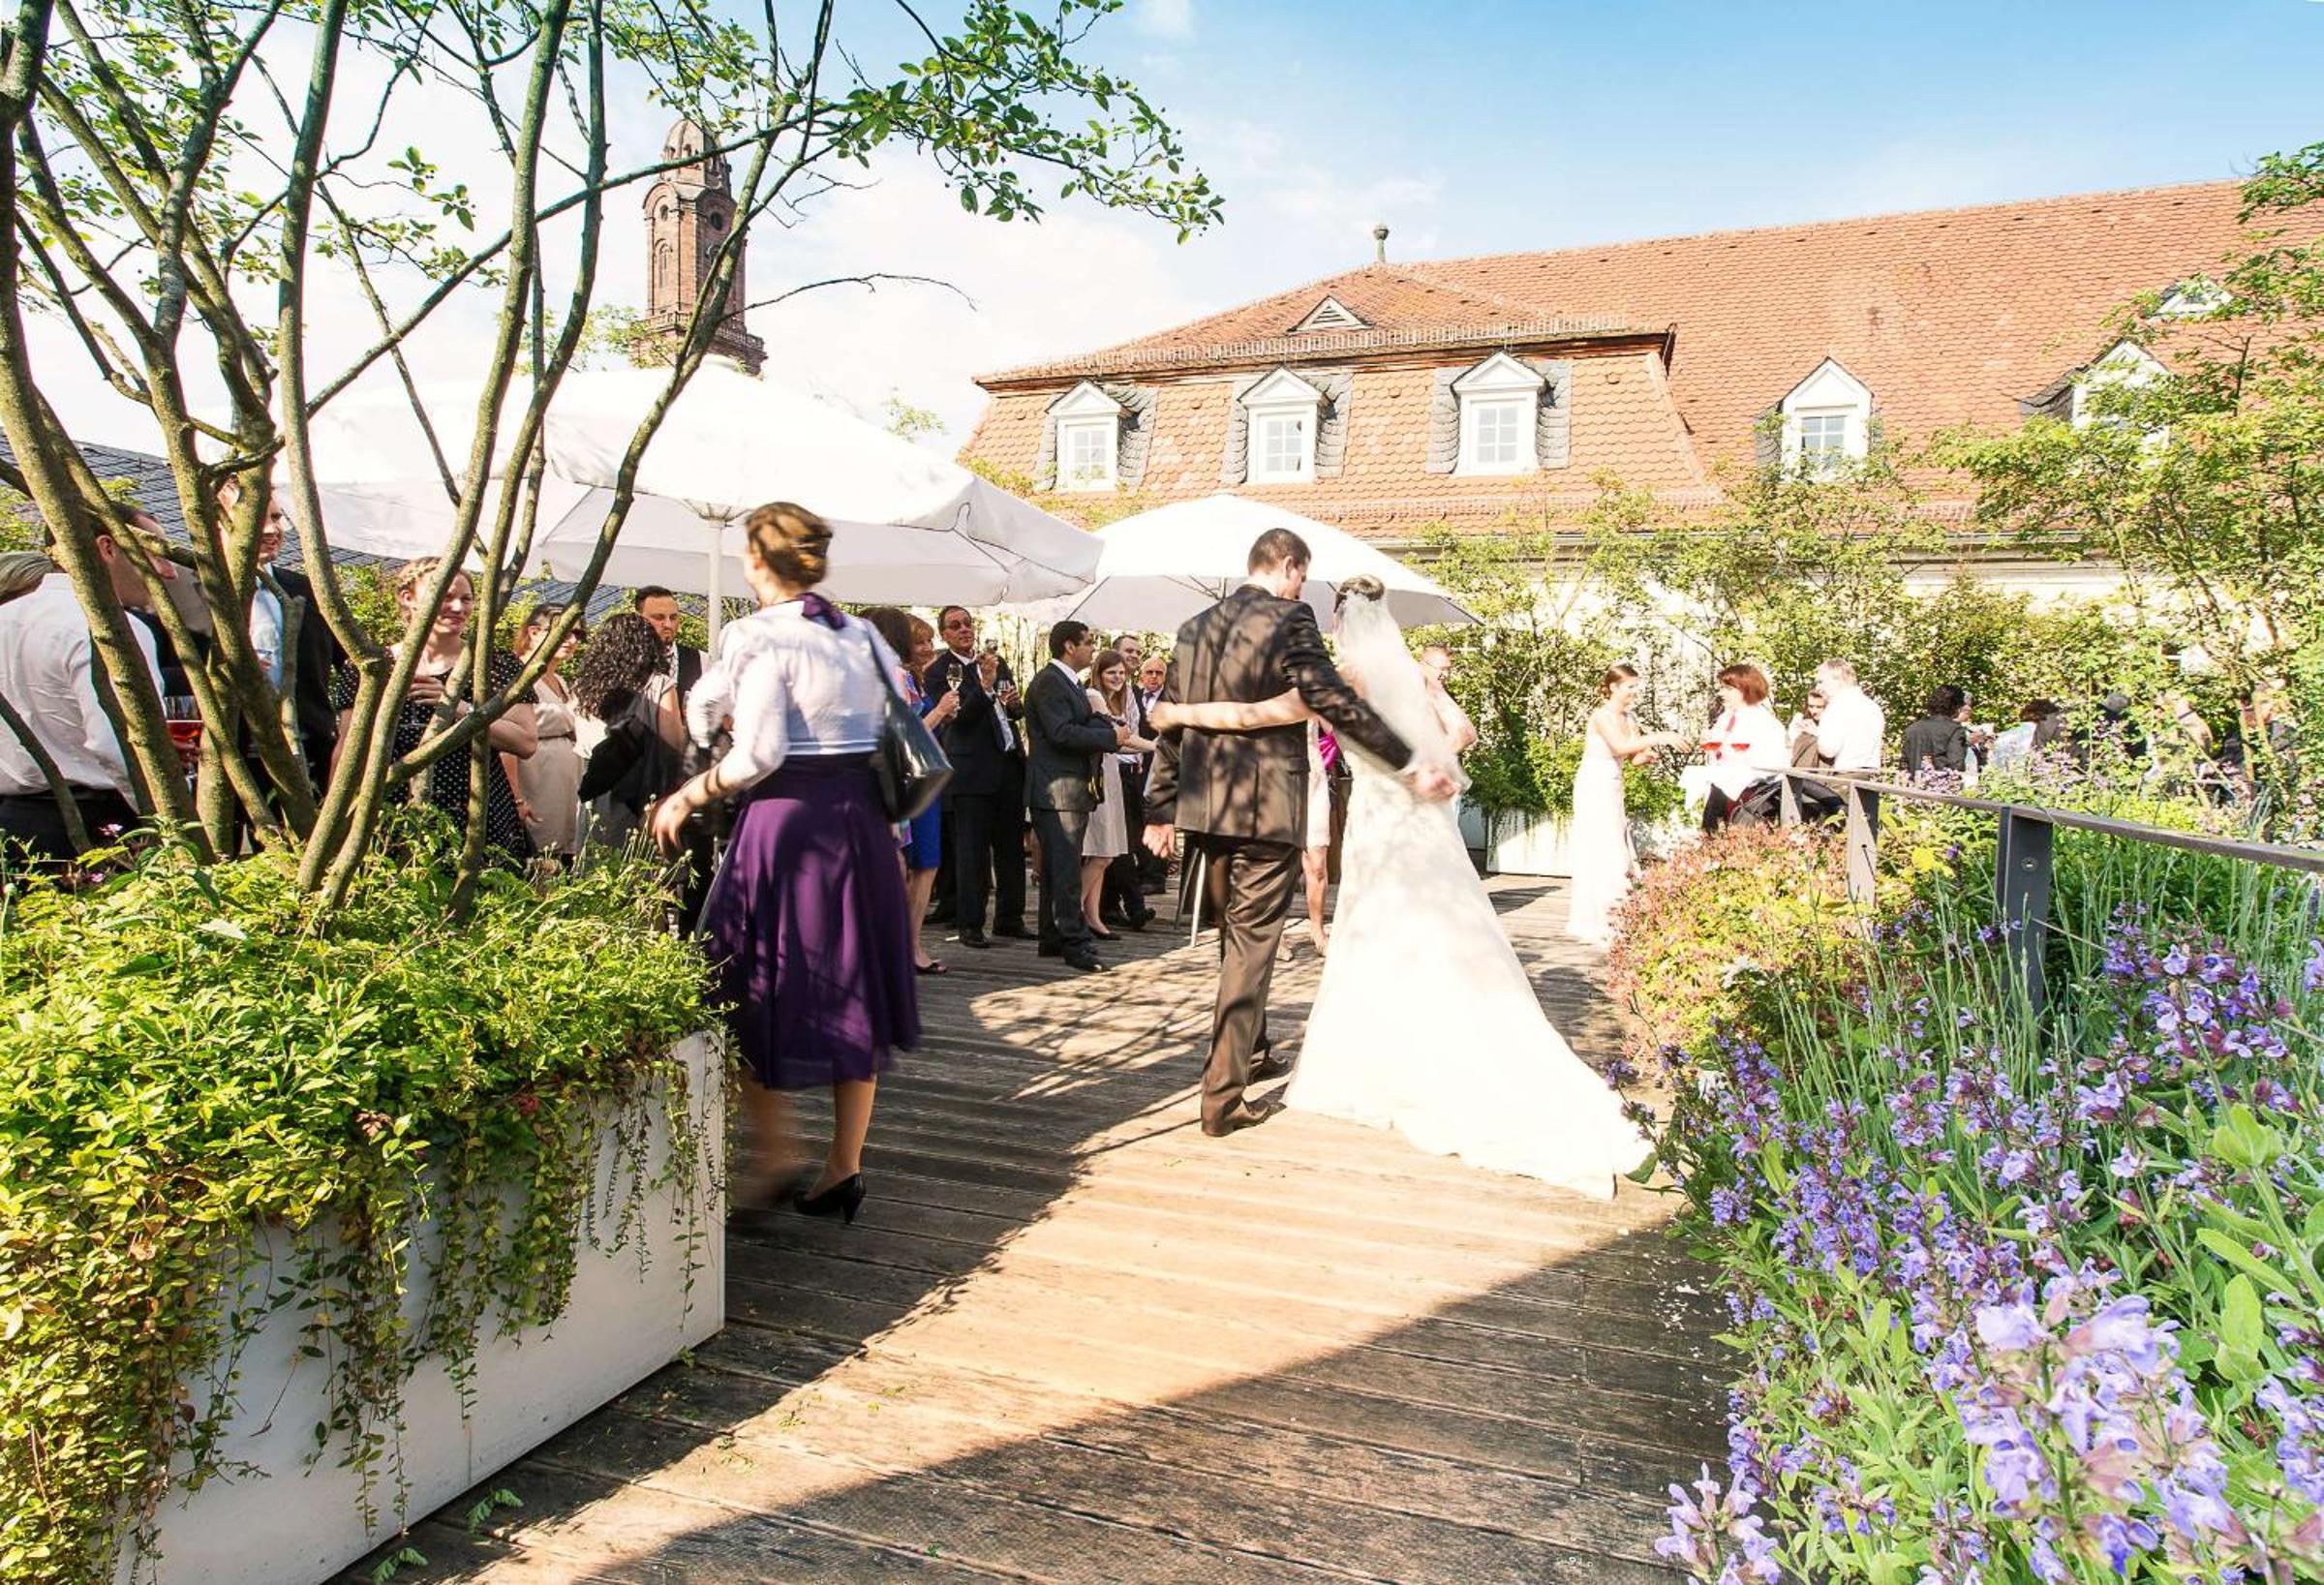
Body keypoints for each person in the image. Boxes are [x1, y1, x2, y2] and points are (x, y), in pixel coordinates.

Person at [1152, 576, 1648, 1195]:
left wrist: (1181, 713)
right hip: (1419, 818)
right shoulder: (1410, 675)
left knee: (1378, 928)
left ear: (1339, 620)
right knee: (1432, 927)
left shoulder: (1347, 677)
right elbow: (1459, 736)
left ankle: (1380, 1056)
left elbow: (1271, 713)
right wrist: (1422, 756)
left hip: (1378, 819)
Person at [651, 503, 917, 1225]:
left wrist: (688, 793)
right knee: (853, 989)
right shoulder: (861, 634)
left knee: (740, 983)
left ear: (756, 561)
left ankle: (775, 1155)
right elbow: (896, 717)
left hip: (789, 824)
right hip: (862, 823)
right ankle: (843, 1166)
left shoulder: (760, 633)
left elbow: (759, 753)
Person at [1144, 535, 1454, 1138]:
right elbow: (1328, 698)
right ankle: (1222, 1099)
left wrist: (1158, 808)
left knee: (1236, 941)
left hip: (1206, 807)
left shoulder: (1193, 627)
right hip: (1266, 806)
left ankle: (1253, 1051)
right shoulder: (1292, 618)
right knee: (1251, 945)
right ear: (1289, 565)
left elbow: (1170, 721)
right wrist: (1408, 762)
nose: (1299, 588)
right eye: (1300, 577)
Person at [333, 559, 537, 859]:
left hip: (475, 811)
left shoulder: (495, 664)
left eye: (466, 599)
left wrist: (458, 707)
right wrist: (334, 820)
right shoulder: (372, 667)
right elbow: (347, 749)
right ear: (407, 597)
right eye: (445, 596)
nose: (458, 607)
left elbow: (526, 741)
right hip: (390, 810)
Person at [0, 512, 172, 862]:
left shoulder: (6, 619)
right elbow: (118, 746)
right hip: (100, 827)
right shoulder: (116, 629)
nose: (168, 572)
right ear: (107, 548)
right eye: (154, 554)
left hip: (13, 824)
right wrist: (170, 821)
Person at [1024, 621, 1129, 973]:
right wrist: (1110, 737)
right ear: (1069, 646)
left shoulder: (1068, 683)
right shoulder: (1049, 683)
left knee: (1060, 867)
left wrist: (1105, 727)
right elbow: (1062, 732)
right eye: (1088, 642)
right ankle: (1075, 943)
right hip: (1059, 789)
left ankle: (1052, 936)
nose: (1092, 648)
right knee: (1066, 869)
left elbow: (1090, 721)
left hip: (1069, 788)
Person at [923, 604, 1028, 949]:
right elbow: (960, 721)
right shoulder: (939, 672)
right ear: (944, 634)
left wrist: (1013, 703)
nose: (964, 629)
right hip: (971, 770)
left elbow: (1015, 711)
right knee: (972, 852)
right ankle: (970, 924)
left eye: (968, 623)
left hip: (1008, 764)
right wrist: (984, 685)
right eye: (955, 625)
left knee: (1011, 848)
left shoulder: (995, 661)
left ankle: (1010, 919)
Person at [862, 608, 960, 974]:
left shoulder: (908, 677)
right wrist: (940, 712)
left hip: (913, 779)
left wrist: (943, 716)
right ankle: (904, 945)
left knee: (922, 863)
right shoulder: (894, 677)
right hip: (906, 781)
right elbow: (905, 734)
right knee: (913, 864)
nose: (926, 648)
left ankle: (907, 943)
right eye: (917, 640)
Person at [1568, 664, 1685, 947]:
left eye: (1635, 686)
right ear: (1614, 687)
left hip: (1613, 784)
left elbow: (1634, 758)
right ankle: (1599, 919)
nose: (1635, 692)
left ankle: (1618, 915)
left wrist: (1650, 755)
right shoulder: (1601, 716)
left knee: (1617, 844)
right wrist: (1661, 736)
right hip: (1594, 784)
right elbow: (1619, 747)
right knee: (1603, 847)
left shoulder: (1629, 718)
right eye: (1630, 686)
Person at [570, 611, 686, 850]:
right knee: (640, 863)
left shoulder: (583, 687)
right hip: (643, 790)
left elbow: (582, 742)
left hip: (595, 788)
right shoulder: (658, 684)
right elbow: (673, 743)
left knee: (596, 863)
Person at [1079, 648, 1153, 941]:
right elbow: (1120, 740)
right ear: (1099, 673)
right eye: (1112, 672)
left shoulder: (1117, 700)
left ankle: (1093, 917)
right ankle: (1070, 912)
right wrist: (1158, 747)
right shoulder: (1093, 697)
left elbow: (1124, 740)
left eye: (1122, 673)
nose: (1118, 678)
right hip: (1098, 777)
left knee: (1104, 851)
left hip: (1111, 775)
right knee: (1102, 853)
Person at [508, 604, 584, 857]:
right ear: (533, 633)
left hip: (565, 791)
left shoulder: (560, 680)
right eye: (564, 632)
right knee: (537, 859)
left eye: (578, 634)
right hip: (534, 785)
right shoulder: (517, 676)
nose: (572, 640)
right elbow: (505, 743)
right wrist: (516, 798)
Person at [1697, 662, 1789, 829]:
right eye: (1722, 688)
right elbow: (1718, 751)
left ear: (1746, 690)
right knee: (1712, 836)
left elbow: (1773, 765)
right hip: (1721, 791)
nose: (1721, 693)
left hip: (1749, 798)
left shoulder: (1765, 723)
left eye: (1728, 689)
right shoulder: (1726, 717)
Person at [1131, 653, 1171, 894]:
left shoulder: (1172, 699)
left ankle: (1156, 876)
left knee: (1157, 816)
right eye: (1149, 672)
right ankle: (1141, 870)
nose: (1154, 677)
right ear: (1141, 675)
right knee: (1137, 817)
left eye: (1159, 673)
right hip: (1135, 761)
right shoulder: (1132, 696)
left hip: (1162, 763)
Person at [633, 585, 705, 709]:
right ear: (638, 619)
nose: (668, 624)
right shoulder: (623, 659)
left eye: (673, 617)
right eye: (658, 617)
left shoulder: (701, 660)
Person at [1812, 659, 1885, 777]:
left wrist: (1814, 734)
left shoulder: (1837, 706)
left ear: (1837, 679)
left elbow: (1828, 750)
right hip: (1869, 777)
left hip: (1845, 777)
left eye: (1821, 682)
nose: (1817, 688)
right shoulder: (1872, 706)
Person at [1900, 685, 1971, 777]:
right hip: (1941, 783)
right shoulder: (1955, 730)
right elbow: (1956, 765)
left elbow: (1904, 764)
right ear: (1956, 707)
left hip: (1914, 782)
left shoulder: (1912, 728)